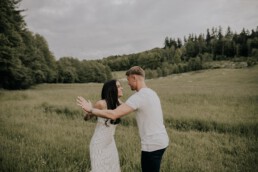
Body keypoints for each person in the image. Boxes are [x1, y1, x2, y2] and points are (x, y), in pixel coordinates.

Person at [77, 66, 169, 172]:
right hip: (160, 140)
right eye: (119, 86)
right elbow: (121, 108)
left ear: (134, 77)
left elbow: (114, 114)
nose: (127, 84)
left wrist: (91, 109)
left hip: (152, 143)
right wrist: (90, 110)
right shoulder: (150, 93)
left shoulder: (139, 96)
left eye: (128, 80)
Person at [85, 80, 123, 172]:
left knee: (113, 168)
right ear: (111, 89)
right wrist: (89, 110)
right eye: (118, 86)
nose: (121, 88)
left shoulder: (119, 103)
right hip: (99, 144)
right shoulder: (101, 103)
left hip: (110, 143)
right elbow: (86, 118)